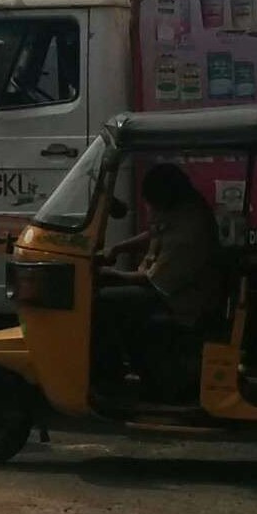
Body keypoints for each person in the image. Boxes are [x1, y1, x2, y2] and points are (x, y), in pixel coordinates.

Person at [97, 163, 223, 394]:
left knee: (101, 302)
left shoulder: (189, 230)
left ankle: (109, 377)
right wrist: (118, 248)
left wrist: (111, 275)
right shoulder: (180, 211)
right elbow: (156, 232)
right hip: (169, 291)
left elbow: (152, 281)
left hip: (181, 304)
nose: (149, 209)